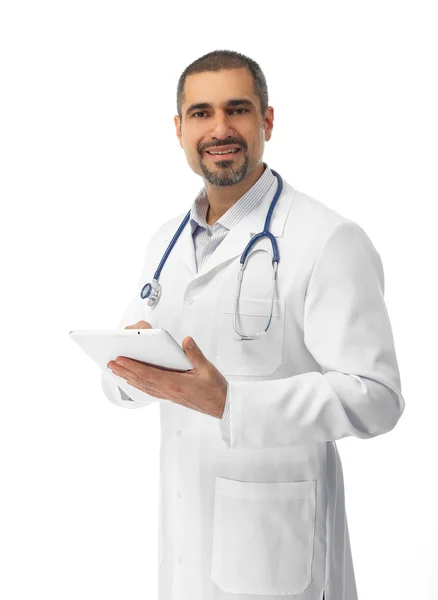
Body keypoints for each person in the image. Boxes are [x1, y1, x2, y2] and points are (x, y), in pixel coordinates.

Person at [101, 49, 405, 600]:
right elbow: (124, 375)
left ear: (266, 120)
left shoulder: (326, 239)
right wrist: (127, 371)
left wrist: (230, 403)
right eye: (200, 113)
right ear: (179, 129)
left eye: (237, 110)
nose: (219, 129)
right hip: (184, 540)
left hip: (277, 549)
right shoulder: (166, 242)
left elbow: (377, 397)